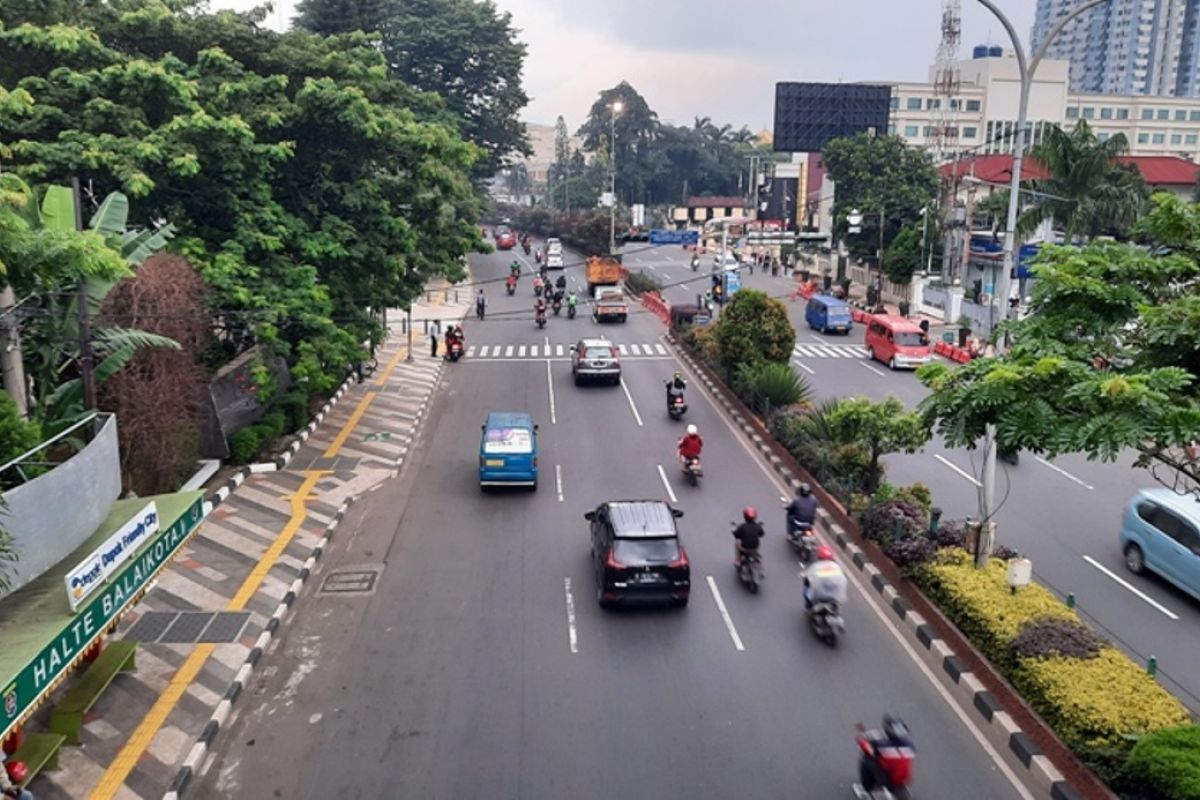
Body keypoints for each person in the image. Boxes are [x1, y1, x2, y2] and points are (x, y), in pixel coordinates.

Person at [859, 715, 916, 792]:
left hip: (890, 779)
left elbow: (868, 750)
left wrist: (862, 740)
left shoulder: (882, 746)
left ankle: (867, 788)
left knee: (866, 761)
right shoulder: (910, 745)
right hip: (904, 778)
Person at [804, 545, 848, 610]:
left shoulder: (816, 567)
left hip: (820, 596)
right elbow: (843, 578)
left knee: (806, 590)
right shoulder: (837, 567)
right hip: (836, 596)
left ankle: (809, 607)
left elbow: (807, 579)